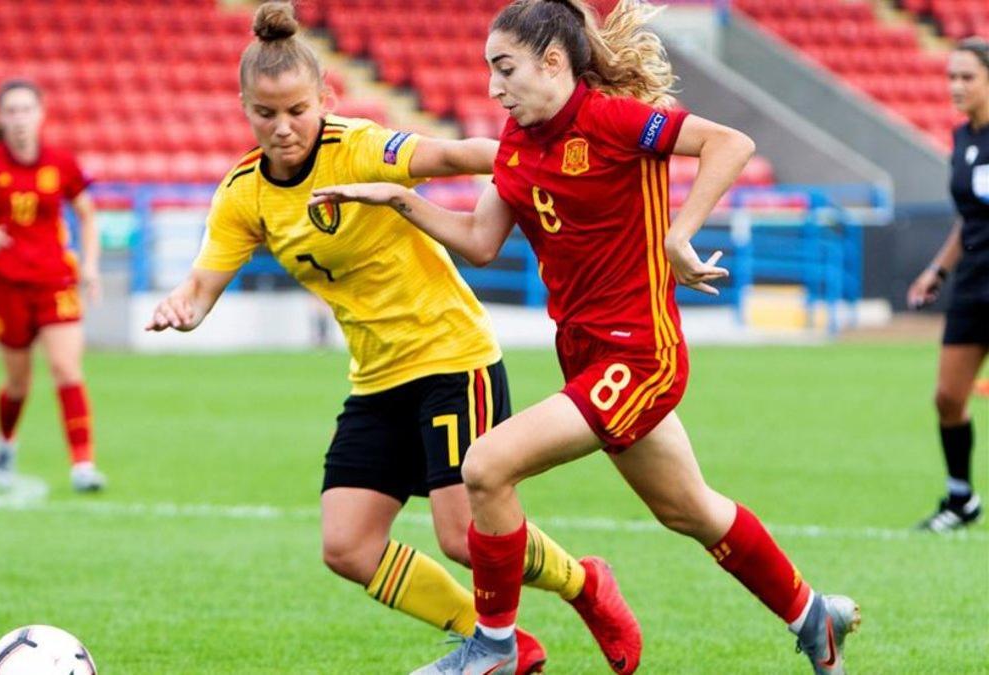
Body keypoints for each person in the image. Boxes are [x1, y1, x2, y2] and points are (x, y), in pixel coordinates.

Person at [312, 1, 861, 673]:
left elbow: (730, 143)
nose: (493, 87)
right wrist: (398, 200)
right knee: (689, 510)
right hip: (585, 357)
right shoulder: (517, 143)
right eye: (489, 71)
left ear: (551, 63)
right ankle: (813, 615)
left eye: (504, 68)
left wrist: (678, 233)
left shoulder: (614, 120)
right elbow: (482, 242)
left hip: (640, 357)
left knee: (485, 465)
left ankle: (493, 646)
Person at [147, 4, 643, 672]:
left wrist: (532, 153)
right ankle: (502, 643)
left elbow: (448, 155)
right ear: (244, 108)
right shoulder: (243, 195)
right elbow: (201, 289)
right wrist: (181, 304)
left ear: (325, 98)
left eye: (297, 109)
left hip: (451, 357)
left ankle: (587, 582)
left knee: (464, 537)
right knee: (347, 545)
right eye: (265, 114)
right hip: (376, 379)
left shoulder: (358, 146)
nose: (283, 126)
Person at [0, 79, 107, 493]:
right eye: (11, 111)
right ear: (0, 118)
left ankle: (83, 465)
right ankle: (5, 443)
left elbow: (88, 215)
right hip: (6, 285)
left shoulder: (62, 163)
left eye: (26, 110)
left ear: (41, 115)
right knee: (19, 383)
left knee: (66, 368)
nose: (20, 119)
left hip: (55, 279)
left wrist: (89, 265)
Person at [907, 36, 989, 532]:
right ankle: (961, 499)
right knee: (947, 397)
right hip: (975, 283)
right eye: (951, 77)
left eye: (967, 77)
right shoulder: (962, 140)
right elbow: (968, 219)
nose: (956, 87)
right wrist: (937, 268)